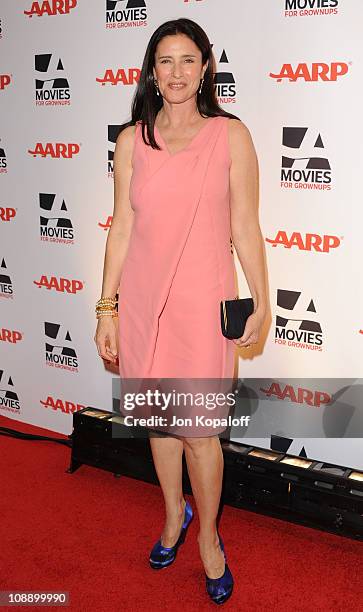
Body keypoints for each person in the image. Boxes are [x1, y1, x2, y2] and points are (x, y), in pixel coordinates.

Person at [94, 17, 267, 605]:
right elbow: (121, 229)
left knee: (200, 435)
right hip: (144, 303)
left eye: (187, 60)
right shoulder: (130, 141)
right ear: (151, 71)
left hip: (203, 306)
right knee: (159, 426)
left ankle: (210, 539)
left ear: (205, 68)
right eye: (164, 61)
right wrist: (107, 306)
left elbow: (246, 226)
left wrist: (262, 302)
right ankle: (174, 516)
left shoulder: (230, 135)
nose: (176, 72)